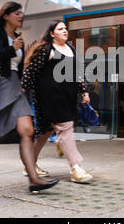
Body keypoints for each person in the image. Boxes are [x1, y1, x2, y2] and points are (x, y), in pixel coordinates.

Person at [0, 1, 59, 194]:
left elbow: (16, 65)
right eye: (16, 13)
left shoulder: (17, 37)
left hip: (15, 86)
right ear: (6, 15)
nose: (20, 16)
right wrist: (11, 49)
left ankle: (34, 179)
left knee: (27, 130)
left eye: (21, 13)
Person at [21, 20, 93, 183]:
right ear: (52, 33)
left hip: (67, 96)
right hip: (49, 96)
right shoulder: (46, 49)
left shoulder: (71, 49)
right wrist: (21, 91)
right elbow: (30, 73)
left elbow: (76, 73)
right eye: (60, 29)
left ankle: (29, 164)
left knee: (44, 132)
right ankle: (76, 168)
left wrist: (84, 91)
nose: (65, 31)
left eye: (66, 28)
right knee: (66, 128)